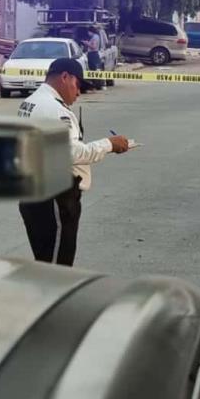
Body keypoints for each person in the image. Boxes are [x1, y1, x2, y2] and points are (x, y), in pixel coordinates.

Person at [17, 58, 130, 266]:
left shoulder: (32, 102)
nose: (78, 93)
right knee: (57, 268)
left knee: (46, 262)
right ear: (64, 77)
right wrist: (109, 144)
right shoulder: (54, 109)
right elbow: (72, 152)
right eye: (78, 86)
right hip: (54, 197)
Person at [85, 26, 104, 90]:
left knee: (94, 69)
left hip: (93, 54)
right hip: (93, 54)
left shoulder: (95, 37)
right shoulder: (95, 36)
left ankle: (96, 85)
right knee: (94, 69)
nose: (88, 33)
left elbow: (94, 47)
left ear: (91, 31)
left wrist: (87, 43)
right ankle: (96, 84)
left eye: (88, 32)